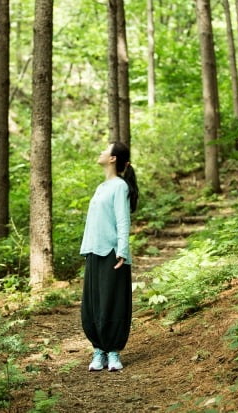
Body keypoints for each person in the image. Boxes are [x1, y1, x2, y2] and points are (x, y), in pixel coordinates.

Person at [80, 141, 139, 372]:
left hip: (113, 253)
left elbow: (123, 220)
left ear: (113, 158)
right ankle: (99, 350)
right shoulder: (101, 187)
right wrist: (87, 250)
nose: (101, 151)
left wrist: (122, 252)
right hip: (95, 252)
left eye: (106, 149)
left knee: (112, 303)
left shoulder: (119, 186)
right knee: (94, 304)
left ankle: (113, 352)